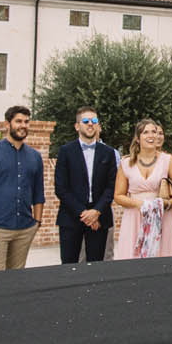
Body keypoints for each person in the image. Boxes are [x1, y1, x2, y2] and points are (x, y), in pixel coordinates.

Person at [0, 105, 44, 271]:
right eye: (18, 121)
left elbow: (38, 193)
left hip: (25, 229)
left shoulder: (35, 156)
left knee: (17, 276)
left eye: (26, 122)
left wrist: (37, 222)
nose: (23, 125)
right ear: (7, 124)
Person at [112, 119, 172, 259]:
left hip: (162, 217)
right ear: (138, 138)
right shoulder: (126, 163)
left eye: (155, 132)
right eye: (146, 132)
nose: (152, 135)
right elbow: (118, 195)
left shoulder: (167, 160)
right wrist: (139, 204)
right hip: (135, 216)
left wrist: (166, 203)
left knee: (162, 258)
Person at [52, 107, 115, 263]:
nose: (90, 124)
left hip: (99, 218)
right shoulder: (65, 151)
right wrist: (84, 213)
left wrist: (96, 212)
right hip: (71, 217)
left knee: (95, 266)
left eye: (94, 121)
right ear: (77, 126)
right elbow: (61, 188)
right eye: (86, 121)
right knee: (69, 265)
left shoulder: (108, 152)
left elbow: (111, 186)